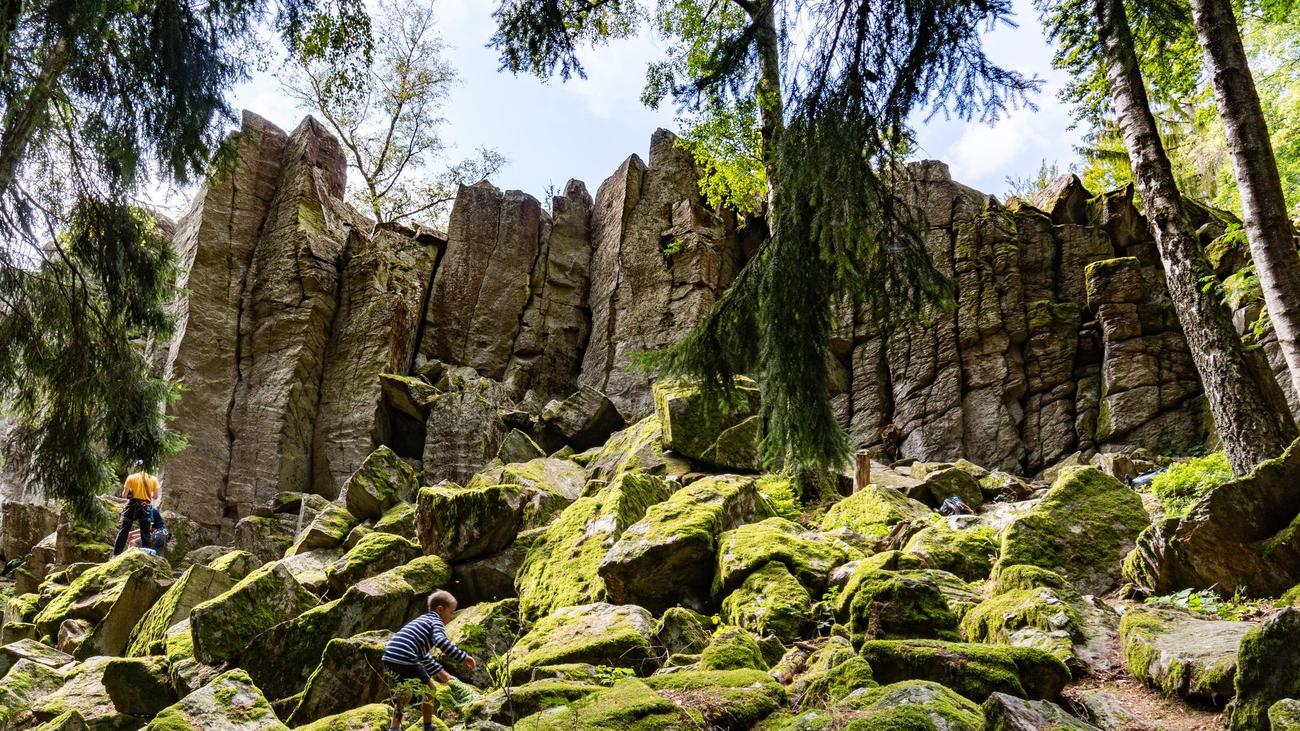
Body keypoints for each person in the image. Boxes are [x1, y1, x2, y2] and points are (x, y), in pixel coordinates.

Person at [381, 590, 477, 731]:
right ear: (440, 609)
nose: (451, 617)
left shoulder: (422, 620)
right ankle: (427, 726)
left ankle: (394, 728)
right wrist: (463, 657)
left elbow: (423, 656)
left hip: (389, 656)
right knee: (430, 688)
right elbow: (441, 642)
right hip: (405, 655)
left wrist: (441, 672)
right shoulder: (436, 622)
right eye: (451, 612)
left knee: (406, 692)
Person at [112, 460, 160, 556]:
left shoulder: (131, 478)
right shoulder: (154, 479)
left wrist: (132, 493)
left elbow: (124, 495)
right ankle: (146, 555)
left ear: (137, 468)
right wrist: (146, 495)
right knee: (145, 533)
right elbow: (155, 496)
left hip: (131, 507)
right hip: (145, 508)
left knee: (124, 531)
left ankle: (116, 555)